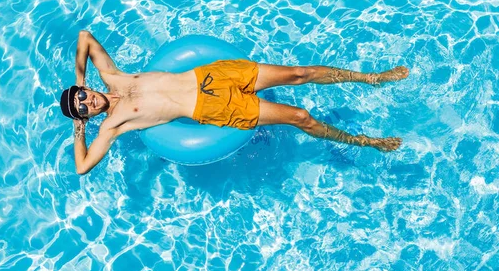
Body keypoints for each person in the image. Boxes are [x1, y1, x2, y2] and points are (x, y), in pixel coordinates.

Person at [60, 31, 409, 174]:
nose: (87, 100)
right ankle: (366, 142)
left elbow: (85, 38)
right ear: (87, 115)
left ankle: (372, 78)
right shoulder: (112, 123)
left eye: (83, 96)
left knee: (299, 73)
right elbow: (82, 166)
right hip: (213, 109)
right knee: (300, 116)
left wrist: (78, 80)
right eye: (83, 106)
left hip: (213, 76)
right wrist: (80, 129)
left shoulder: (113, 77)